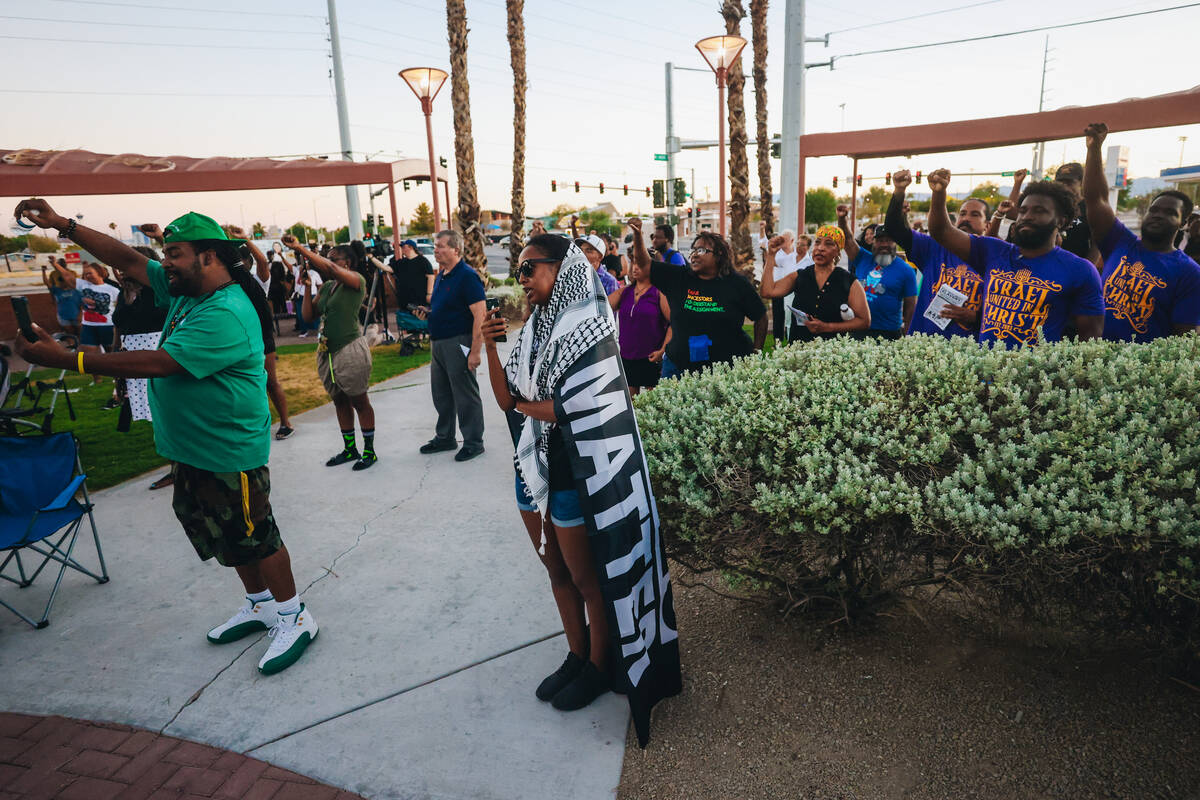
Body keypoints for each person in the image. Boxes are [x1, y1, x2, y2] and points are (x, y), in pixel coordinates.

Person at [13, 199, 318, 675]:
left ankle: (295, 615)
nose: (164, 261)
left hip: (228, 451)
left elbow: (162, 363)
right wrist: (63, 225)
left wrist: (68, 360)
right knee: (226, 536)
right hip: (193, 448)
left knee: (257, 536)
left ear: (209, 257)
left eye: (174, 252)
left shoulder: (226, 310)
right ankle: (259, 603)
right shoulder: (186, 290)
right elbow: (129, 260)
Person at [480, 235, 617, 710]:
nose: (521, 280)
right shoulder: (537, 327)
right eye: (518, 271)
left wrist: (523, 406)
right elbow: (505, 401)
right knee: (555, 569)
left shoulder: (592, 322)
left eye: (528, 269)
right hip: (532, 462)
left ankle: (601, 667)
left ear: (561, 267)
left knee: (586, 579)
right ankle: (577, 656)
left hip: (575, 466)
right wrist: (491, 347)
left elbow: (570, 408)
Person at [925, 168, 1104, 347]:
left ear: (1061, 221)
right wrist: (939, 193)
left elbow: (1089, 342)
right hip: (984, 370)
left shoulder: (1080, 270)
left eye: (1039, 211)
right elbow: (942, 232)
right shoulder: (993, 251)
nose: (1027, 217)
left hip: (1038, 373)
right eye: (1023, 211)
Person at [1082, 122, 1200, 341]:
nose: (1157, 215)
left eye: (1169, 213)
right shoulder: (1119, 242)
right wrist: (1094, 149)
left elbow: (1185, 339)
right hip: (1093, 361)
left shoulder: (1190, 273)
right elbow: (1095, 198)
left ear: (1183, 223)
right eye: (1153, 210)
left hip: (1138, 372)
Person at [283, 235, 377, 469]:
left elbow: (330, 268)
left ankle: (369, 451)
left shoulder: (356, 281)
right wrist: (306, 289)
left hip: (350, 348)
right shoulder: (326, 287)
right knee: (339, 400)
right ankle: (349, 449)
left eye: (334, 258)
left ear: (347, 263)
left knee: (359, 400)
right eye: (328, 257)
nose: (327, 261)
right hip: (327, 351)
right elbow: (307, 316)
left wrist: (300, 249)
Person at [646, 222, 767, 375]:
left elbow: (761, 317)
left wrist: (755, 354)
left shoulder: (737, 284)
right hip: (678, 366)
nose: (695, 254)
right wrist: (637, 237)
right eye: (694, 250)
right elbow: (646, 266)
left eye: (702, 250)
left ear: (719, 255)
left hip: (724, 370)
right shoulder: (681, 277)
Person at [885, 168, 987, 338]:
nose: (966, 218)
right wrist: (899, 191)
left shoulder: (995, 258)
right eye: (962, 213)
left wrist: (973, 317)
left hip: (968, 355)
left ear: (988, 225)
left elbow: (1004, 317)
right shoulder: (935, 248)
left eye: (975, 215)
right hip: (923, 350)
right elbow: (894, 229)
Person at [421, 229, 486, 462]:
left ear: (455, 249)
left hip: (459, 343)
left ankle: (473, 442)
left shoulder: (466, 276)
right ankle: (445, 437)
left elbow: (480, 314)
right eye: (435, 245)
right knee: (441, 393)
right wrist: (428, 314)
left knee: (465, 394)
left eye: (440, 246)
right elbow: (446, 307)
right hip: (438, 343)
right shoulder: (442, 275)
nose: (435, 250)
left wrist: (475, 352)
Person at [228, 227, 295, 440]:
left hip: (262, 339)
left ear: (246, 263)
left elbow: (263, 263)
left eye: (239, 262)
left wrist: (246, 239)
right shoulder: (229, 284)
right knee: (244, 386)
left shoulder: (258, 281)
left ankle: (286, 423)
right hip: (239, 340)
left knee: (270, 382)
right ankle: (253, 427)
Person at [761, 225, 870, 342]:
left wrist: (828, 327)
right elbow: (767, 291)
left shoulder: (849, 281)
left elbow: (864, 321)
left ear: (838, 251)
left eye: (828, 244)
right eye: (817, 243)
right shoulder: (799, 276)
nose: (820, 248)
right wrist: (771, 255)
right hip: (799, 351)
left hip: (831, 352)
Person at [840, 207, 918, 339]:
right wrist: (842, 219)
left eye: (889, 240)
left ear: (895, 244)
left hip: (888, 334)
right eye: (880, 240)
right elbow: (847, 240)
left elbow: (910, 309)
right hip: (858, 329)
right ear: (873, 242)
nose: (884, 244)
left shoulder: (906, 270)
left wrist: (907, 337)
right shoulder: (862, 258)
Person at [609, 227, 670, 395]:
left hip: (651, 356)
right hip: (627, 356)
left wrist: (662, 350)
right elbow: (602, 308)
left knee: (653, 405)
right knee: (631, 406)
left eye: (640, 264)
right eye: (633, 262)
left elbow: (673, 323)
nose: (635, 267)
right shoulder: (626, 291)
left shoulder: (659, 292)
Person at [73, 260, 121, 384]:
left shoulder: (112, 289)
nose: (88, 276)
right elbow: (67, 277)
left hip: (107, 326)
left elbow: (122, 306)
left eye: (90, 273)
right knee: (89, 355)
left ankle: (118, 378)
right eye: (86, 274)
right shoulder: (83, 285)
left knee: (111, 354)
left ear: (99, 273)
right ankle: (97, 379)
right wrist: (55, 264)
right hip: (89, 326)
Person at [764, 229, 806, 344]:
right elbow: (771, 262)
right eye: (781, 239)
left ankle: (791, 341)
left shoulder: (797, 255)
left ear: (792, 240)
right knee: (778, 317)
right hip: (777, 289)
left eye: (784, 239)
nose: (781, 242)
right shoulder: (778, 254)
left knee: (792, 317)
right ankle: (777, 342)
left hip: (793, 291)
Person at [569, 217, 619, 295]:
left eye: (589, 250)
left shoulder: (609, 281)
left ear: (600, 256)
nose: (583, 254)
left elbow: (612, 306)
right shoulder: (575, 277)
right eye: (581, 250)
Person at [387, 239, 435, 311]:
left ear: (411, 247)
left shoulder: (423, 261)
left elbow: (431, 277)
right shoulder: (401, 262)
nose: (402, 249)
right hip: (405, 299)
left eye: (404, 247)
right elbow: (388, 268)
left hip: (419, 298)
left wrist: (429, 294)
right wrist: (372, 258)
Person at [42, 257, 82, 336]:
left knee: (80, 332)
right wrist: (43, 271)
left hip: (76, 315)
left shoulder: (75, 289)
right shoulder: (57, 288)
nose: (60, 283)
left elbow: (81, 304)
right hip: (63, 315)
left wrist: (80, 315)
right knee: (70, 333)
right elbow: (48, 284)